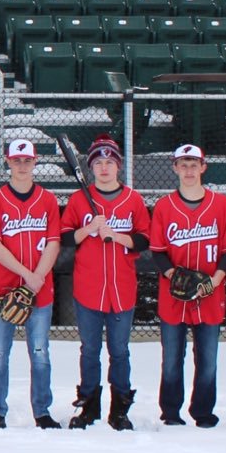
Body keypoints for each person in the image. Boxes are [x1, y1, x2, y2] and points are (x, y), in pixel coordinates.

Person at [59, 135, 151, 431]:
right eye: (98, 163)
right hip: (88, 288)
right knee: (89, 349)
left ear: (118, 166)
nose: (104, 168)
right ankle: (88, 406)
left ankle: (120, 409)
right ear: (91, 168)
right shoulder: (78, 200)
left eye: (109, 162)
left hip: (122, 288)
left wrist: (118, 236)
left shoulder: (132, 199)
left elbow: (144, 239)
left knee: (120, 350)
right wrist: (89, 229)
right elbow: (64, 237)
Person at [149, 144, 226, 428]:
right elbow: (157, 250)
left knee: (208, 360)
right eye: (183, 164)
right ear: (175, 168)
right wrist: (172, 274)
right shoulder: (165, 206)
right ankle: (171, 413)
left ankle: (203, 413)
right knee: (172, 359)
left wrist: (216, 280)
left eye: (194, 164)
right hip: (174, 294)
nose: (189, 170)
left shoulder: (221, 204)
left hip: (209, 294)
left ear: (203, 167)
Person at [0, 139, 63, 430]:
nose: (22, 165)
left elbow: (54, 243)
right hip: (3, 289)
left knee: (40, 353)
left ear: (35, 162)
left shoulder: (48, 199)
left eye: (27, 160)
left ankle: (42, 411)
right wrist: (27, 275)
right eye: (17, 160)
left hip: (40, 291)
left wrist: (36, 278)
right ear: (8, 162)